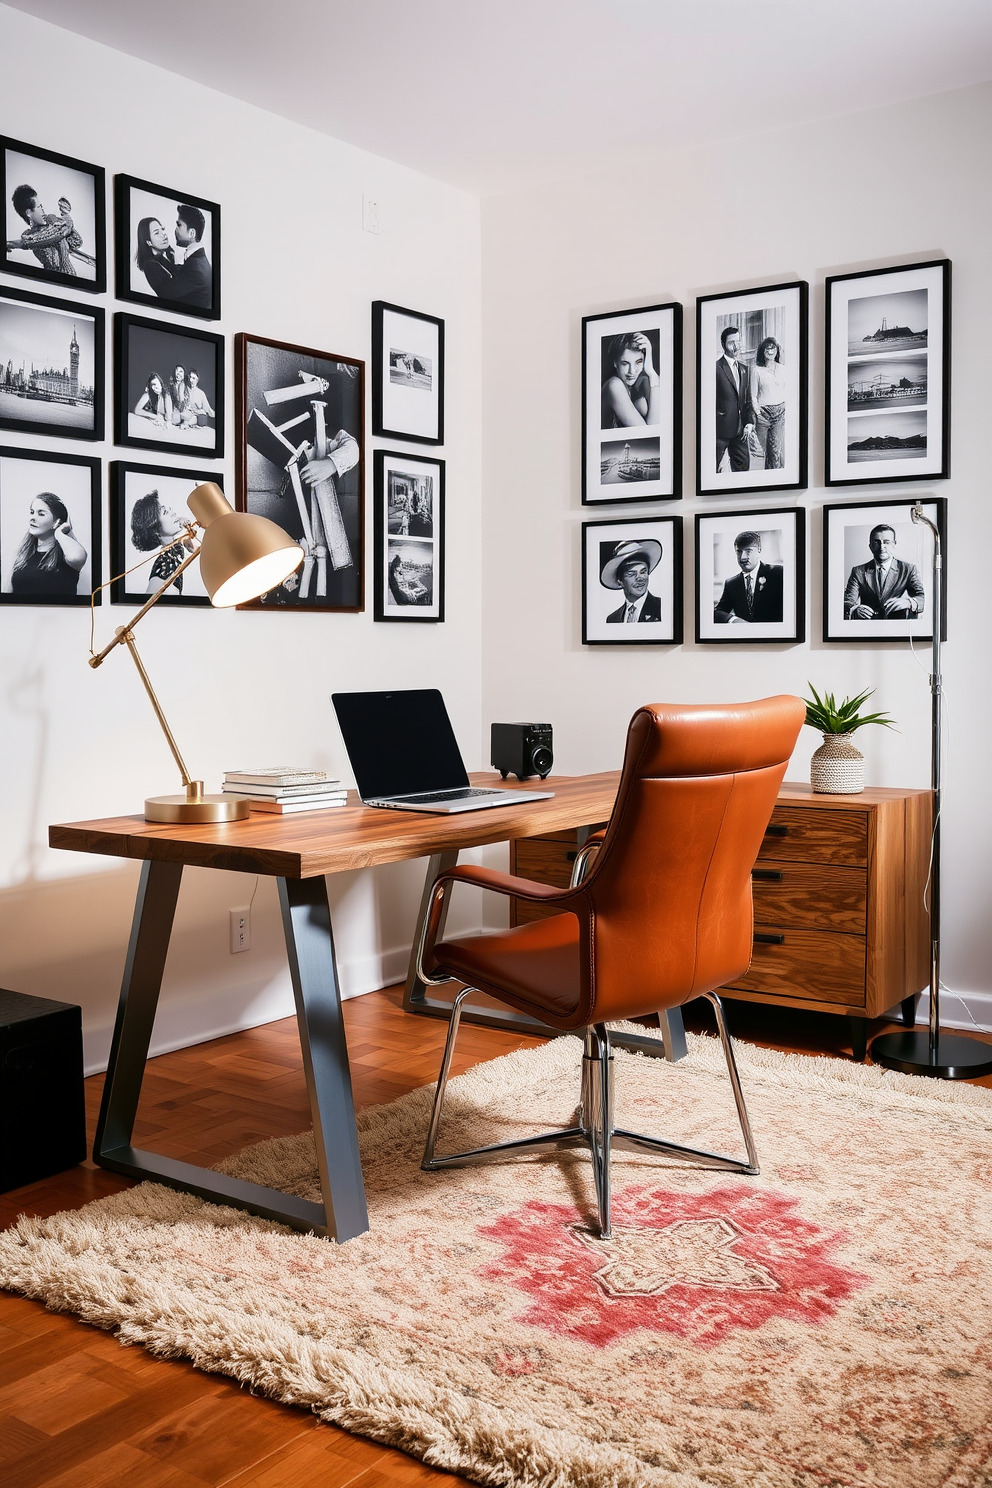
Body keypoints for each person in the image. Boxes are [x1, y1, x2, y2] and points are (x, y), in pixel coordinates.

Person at [10, 492, 87, 597]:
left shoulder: (65, 556)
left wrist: (59, 533)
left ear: (56, 522)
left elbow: (77, 558)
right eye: (32, 512)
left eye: (41, 514)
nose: (33, 518)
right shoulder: (24, 555)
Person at [844, 524, 925, 620]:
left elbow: (922, 598)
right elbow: (847, 601)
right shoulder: (858, 571)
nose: (882, 547)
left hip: (897, 627)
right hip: (866, 628)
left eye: (886, 542)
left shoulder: (908, 569)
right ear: (870, 546)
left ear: (894, 544)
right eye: (877, 542)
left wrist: (909, 602)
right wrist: (854, 609)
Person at [7, 186, 92, 275]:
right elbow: (43, 238)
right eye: (39, 207)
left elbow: (76, 242)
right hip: (49, 281)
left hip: (70, 279)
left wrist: (68, 221)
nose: (43, 211)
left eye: (42, 206)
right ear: (28, 213)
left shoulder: (51, 219)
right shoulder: (28, 235)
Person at [130, 491, 193, 595]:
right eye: (165, 512)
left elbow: (197, 549)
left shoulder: (176, 546)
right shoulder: (164, 562)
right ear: (155, 529)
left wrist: (187, 529)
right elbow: (149, 598)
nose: (172, 512)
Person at [714, 530, 783, 623]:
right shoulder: (731, 584)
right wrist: (733, 620)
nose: (743, 557)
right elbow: (718, 612)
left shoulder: (778, 573)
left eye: (748, 551)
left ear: (759, 550)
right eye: (739, 552)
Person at [715, 326, 755, 473]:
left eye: (738, 341)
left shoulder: (745, 368)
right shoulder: (716, 368)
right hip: (720, 431)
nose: (736, 345)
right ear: (723, 344)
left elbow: (748, 400)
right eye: (732, 342)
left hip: (741, 431)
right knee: (712, 470)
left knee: (743, 472)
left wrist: (749, 422)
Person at [601, 332, 659, 428]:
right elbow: (649, 432)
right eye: (625, 363)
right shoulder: (614, 385)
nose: (632, 371)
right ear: (615, 363)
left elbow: (657, 426)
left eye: (639, 362)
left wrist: (651, 373)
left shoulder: (641, 381)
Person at [600, 538, 663, 623]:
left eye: (643, 572)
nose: (640, 578)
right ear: (620, 581)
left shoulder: (662, 608)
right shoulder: (613, 619)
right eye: (631, 574)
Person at [749, 336, 787, 469]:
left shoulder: (783, 369)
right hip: (763, 414)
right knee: (759, 452)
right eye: (767, 349)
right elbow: (753, 396)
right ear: (762, 351)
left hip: (780, 413)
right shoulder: (756, 370)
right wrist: (758, 414)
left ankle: (774, 479)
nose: (770, 351)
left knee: (775, 451)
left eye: (773, 348)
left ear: (777, 350)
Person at [168, 204, 212, 309]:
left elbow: (168, 293)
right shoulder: (198, 260)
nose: (175, 230)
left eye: (179, 225)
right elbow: (184, 272)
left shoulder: (196, 268)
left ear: (192, 233)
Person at [134, 216, 176, 297]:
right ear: (149, 242)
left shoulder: (166, 257)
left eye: (162, 229)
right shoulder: (150, 265)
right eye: (157, 233)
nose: (164, 234)